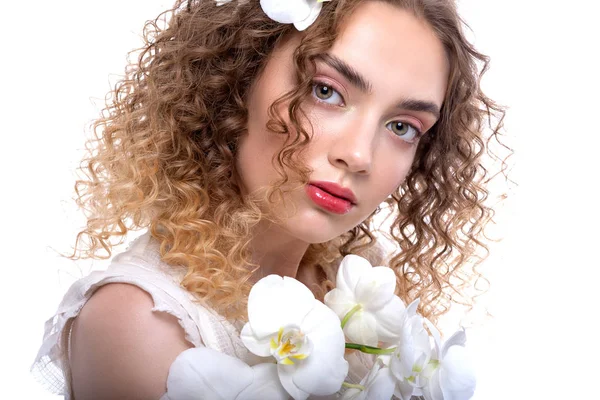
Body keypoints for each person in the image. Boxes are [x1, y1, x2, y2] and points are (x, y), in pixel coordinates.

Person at [32, 0, 507, 398]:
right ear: (237, 77)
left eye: (402, 126)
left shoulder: (356, 280)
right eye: (326, 91)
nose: (359, 155)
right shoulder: (140, 322)